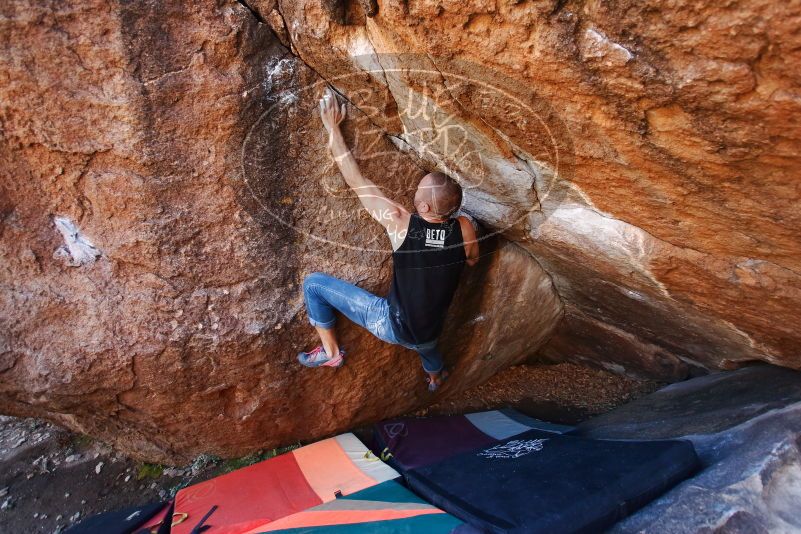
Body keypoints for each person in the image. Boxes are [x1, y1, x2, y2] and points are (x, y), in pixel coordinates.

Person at [297, 87, 480, 391]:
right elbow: (472, 261)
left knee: (313, 284)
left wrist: (332, 126)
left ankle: (331, 353)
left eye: (418, 191)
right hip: (431, 329)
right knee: (429, 349)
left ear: (423, 207)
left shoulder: (402, 225)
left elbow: (356, 181)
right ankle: (436, 378)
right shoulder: (463, 228)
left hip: (393, 325)